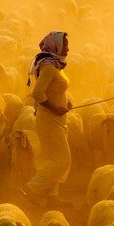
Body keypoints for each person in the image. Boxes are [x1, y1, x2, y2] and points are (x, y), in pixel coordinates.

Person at [23, 31, 73, 207]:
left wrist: (66, 102)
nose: (68, 47)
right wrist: (55, 107)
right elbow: (37, 93)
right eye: (65, 44)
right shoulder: (49, 67)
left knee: (52, 158)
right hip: (49, 120)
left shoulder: (54, 64)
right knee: (63, 159)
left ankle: (52, 197)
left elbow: (53, 90)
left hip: (56, 119)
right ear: (56, 45)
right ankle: (33, 187)